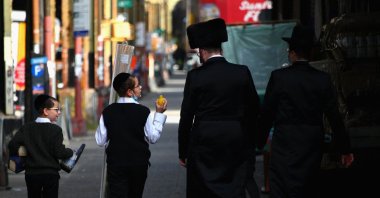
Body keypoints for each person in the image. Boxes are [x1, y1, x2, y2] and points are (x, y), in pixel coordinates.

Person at [258, 25, 354, 198]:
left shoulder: (279, 77)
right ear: (311, 53)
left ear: (292, 52)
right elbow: (334, 116)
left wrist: (257, 141)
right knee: (308, 187)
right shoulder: (322, 79)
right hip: (311, 143)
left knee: (282, 185)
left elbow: (267, 113)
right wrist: (345, 149)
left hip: (284, 141)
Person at [178, 18, 260, 198]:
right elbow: (254, 109)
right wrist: (250, 140)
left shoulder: (195, 76)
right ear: (221, 49)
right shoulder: (241, 72)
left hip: (204, 137)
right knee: (234, 183)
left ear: (202, 51)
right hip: (234, 135)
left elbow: (186, 116)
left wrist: (182, 151)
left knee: (203, 186)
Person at [95, 72, 167, 198]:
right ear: (129, 92)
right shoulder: (143, 111)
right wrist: (159, 114)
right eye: (137, 86)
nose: (140, 88)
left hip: (116, 164)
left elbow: (100, 141)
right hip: (138, 163)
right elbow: (153, 137)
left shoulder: (108, 111)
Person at [8, 94, 74, 198]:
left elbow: (12, 145)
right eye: (56, 110)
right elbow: (59, 152)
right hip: (50, 174)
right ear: (46, 111)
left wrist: (25, 152)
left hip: (32, 174)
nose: (59, 113)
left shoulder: (26, 128)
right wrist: (70, 152)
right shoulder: (55, 130)